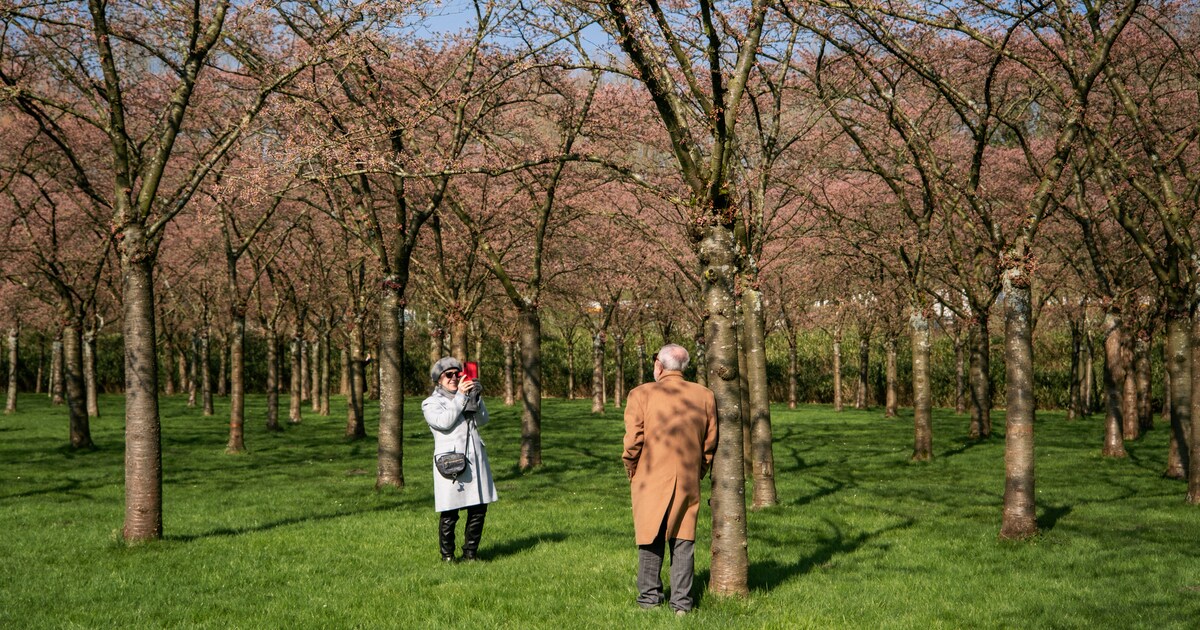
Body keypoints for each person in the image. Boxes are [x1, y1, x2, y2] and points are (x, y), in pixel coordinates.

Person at [622, 343, 718, 616]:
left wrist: (631, 469)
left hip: (649, 475)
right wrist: (698, 470)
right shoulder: (705, 395)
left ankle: (649, 600)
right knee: (683, 539)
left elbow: (633, 441)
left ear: (659, 366)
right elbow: (709, 443)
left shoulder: (640, 394)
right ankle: (682, 605)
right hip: (687, 476)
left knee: (650, 536)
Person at [423, 357, 498, 562]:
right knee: (450, 511)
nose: (454, 378)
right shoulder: (431, 403)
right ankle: (447, 556)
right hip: (451, 462)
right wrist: (461, 397)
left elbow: (483, 420)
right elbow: (444, 422)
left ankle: (470, 554)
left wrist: (477, 397)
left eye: (458, 374)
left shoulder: (466, 396)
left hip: (475, 459)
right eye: (449, 375)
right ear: (438, 379)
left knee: (479, 509)